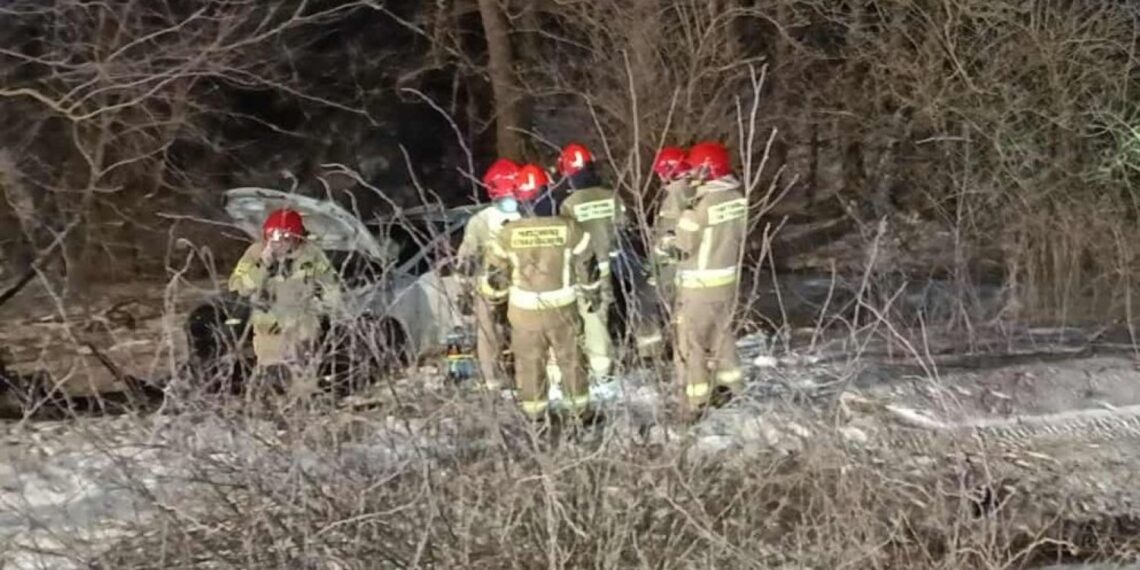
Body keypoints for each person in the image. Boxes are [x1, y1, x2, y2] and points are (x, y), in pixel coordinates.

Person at [485, 163, 603, 423]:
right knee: (571, 361)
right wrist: (593, 294)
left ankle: (535, 416)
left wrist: (495, 304)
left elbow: (495, 278)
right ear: (549, 193)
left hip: (524, 316)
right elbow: (588, 266)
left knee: (529, 365)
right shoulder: (570, 228)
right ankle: (579, 413)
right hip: (563, 312)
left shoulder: (507, 234)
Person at [658, 141, 747, 419]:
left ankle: (695, 401)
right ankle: (731, 385)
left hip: (698, 286)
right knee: (722, 334)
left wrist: (665, 243)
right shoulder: (737, 198)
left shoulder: (700, 206)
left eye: (697, 168)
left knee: (691, 343)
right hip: (727, 283)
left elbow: (680, 247)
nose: (693, 173)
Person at [228, 208, 342, 380]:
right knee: (273, 379)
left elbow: (330, 285)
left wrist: (328, 312)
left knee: (304, 376)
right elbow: (238, 287)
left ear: (296, 237)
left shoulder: (311, 254)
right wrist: (263, 266)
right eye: (273, 236)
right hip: (269, 331)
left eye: (285, 237)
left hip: (304, 329)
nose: (278, 242)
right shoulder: (255, 253)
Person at [553, 142, 624, 380]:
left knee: (593, 319)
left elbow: (568, 239)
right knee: (607, 314)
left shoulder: (569, 204)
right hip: (614, 266)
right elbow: (625, 227)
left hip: (586, 271)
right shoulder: (611, 196)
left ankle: (601, 370)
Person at [456, 158, 523, 390]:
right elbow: (467, 259)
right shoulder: (529, 212)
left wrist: (464, 289)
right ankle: (505, 378)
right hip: (510, 286)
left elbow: (466, 259)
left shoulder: (482, 219)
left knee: (497, 333)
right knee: (498, 333)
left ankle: (502, 377)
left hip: (507, 287)